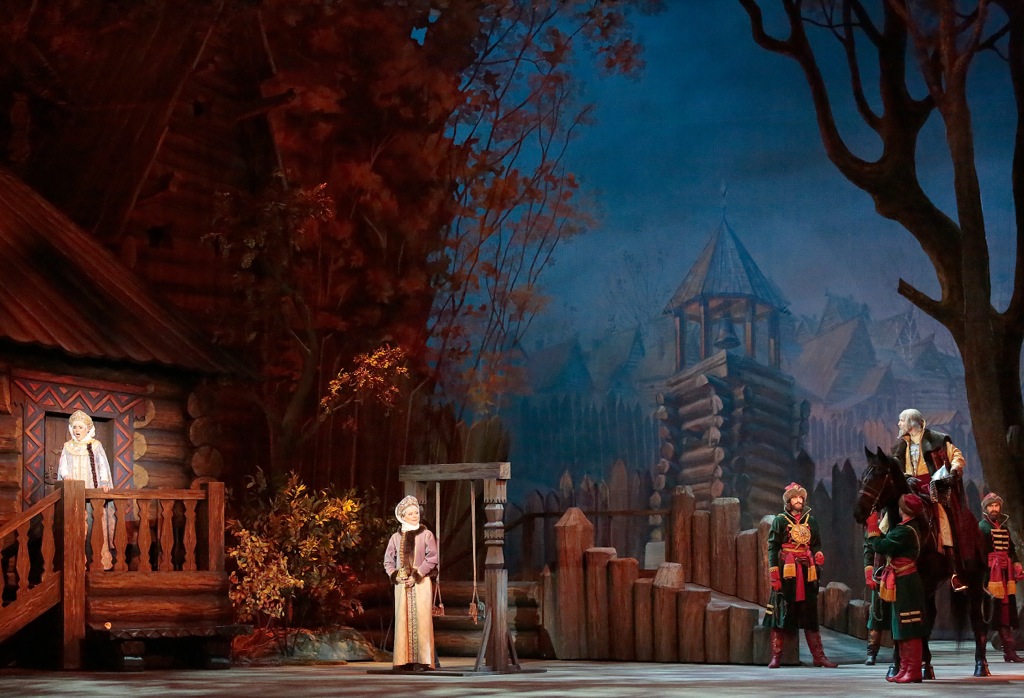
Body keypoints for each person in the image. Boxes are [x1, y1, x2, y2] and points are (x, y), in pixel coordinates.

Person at [892, 408, 970, 591]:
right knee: (886, 520)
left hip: (932, 488)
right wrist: (905, 477)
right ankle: (881, 566)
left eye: (901, 420)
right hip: (908, 490)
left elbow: (956, 456)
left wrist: (953, 472)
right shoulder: (901, 445)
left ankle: (953, 571)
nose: (899, 424)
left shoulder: (937, 439)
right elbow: (895, 467)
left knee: (943, 522)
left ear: (911, 422)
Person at [764, 482, 837, 668]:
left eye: (801, 497)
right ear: (788, 501)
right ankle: (776, 656)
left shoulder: (811, 521)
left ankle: (819, 656)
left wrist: (817, 554)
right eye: (795, 497)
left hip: (806, 571)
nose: (798, 500)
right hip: (787, 572)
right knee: (781, 611)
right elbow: (773, 547)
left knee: (810, 613)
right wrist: (774, 573)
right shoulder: (780, 520)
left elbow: (816, 544)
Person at [866, 493, 929, 683]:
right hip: (899, 581)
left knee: (908, 624)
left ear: (904, 509)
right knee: (900, 625)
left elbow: (882, 546)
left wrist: (873, 527)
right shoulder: (903, 527)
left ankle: (914, 670)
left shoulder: (906, 530)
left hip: (906, 582)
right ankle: (904, 668)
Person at [383, 495, 438, 671]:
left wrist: (417, 574)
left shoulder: (426, 535)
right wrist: (395, 575)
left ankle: (424, 660)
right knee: (402, 620)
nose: (415, 516)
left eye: (416, 513)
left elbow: (432, 558)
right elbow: (388, 561)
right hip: (402, 585)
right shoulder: (395, 537)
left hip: (421, 583)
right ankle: (403, 660)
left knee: (422, 620)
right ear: (402, 516)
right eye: (410, 513)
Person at [57, 410, 114, 570]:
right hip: (74, 494)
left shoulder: (95, 445)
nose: (77, 430)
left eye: (80, 427)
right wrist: (66, 476)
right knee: (76, 527)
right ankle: (76, 562)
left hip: (91, 493)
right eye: (75, 427)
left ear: (87, 429)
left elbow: (102, 465)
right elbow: (63, 466)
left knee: (94, 525)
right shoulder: (68, 447)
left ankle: (98, 561)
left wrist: (104, 482)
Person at [979, 492, 1024, 663]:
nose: (994, 509)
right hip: (989, 576)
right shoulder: (982, 527)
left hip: (1005, 577)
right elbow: (980, 553)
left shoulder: (1003, 528)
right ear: (985, 508)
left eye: (996, 505)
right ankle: (981, 656)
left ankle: (1009, 652)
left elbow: (1010, 549)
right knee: (986, 614)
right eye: (991, 506)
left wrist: (1016, 563)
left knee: (1005, 614)